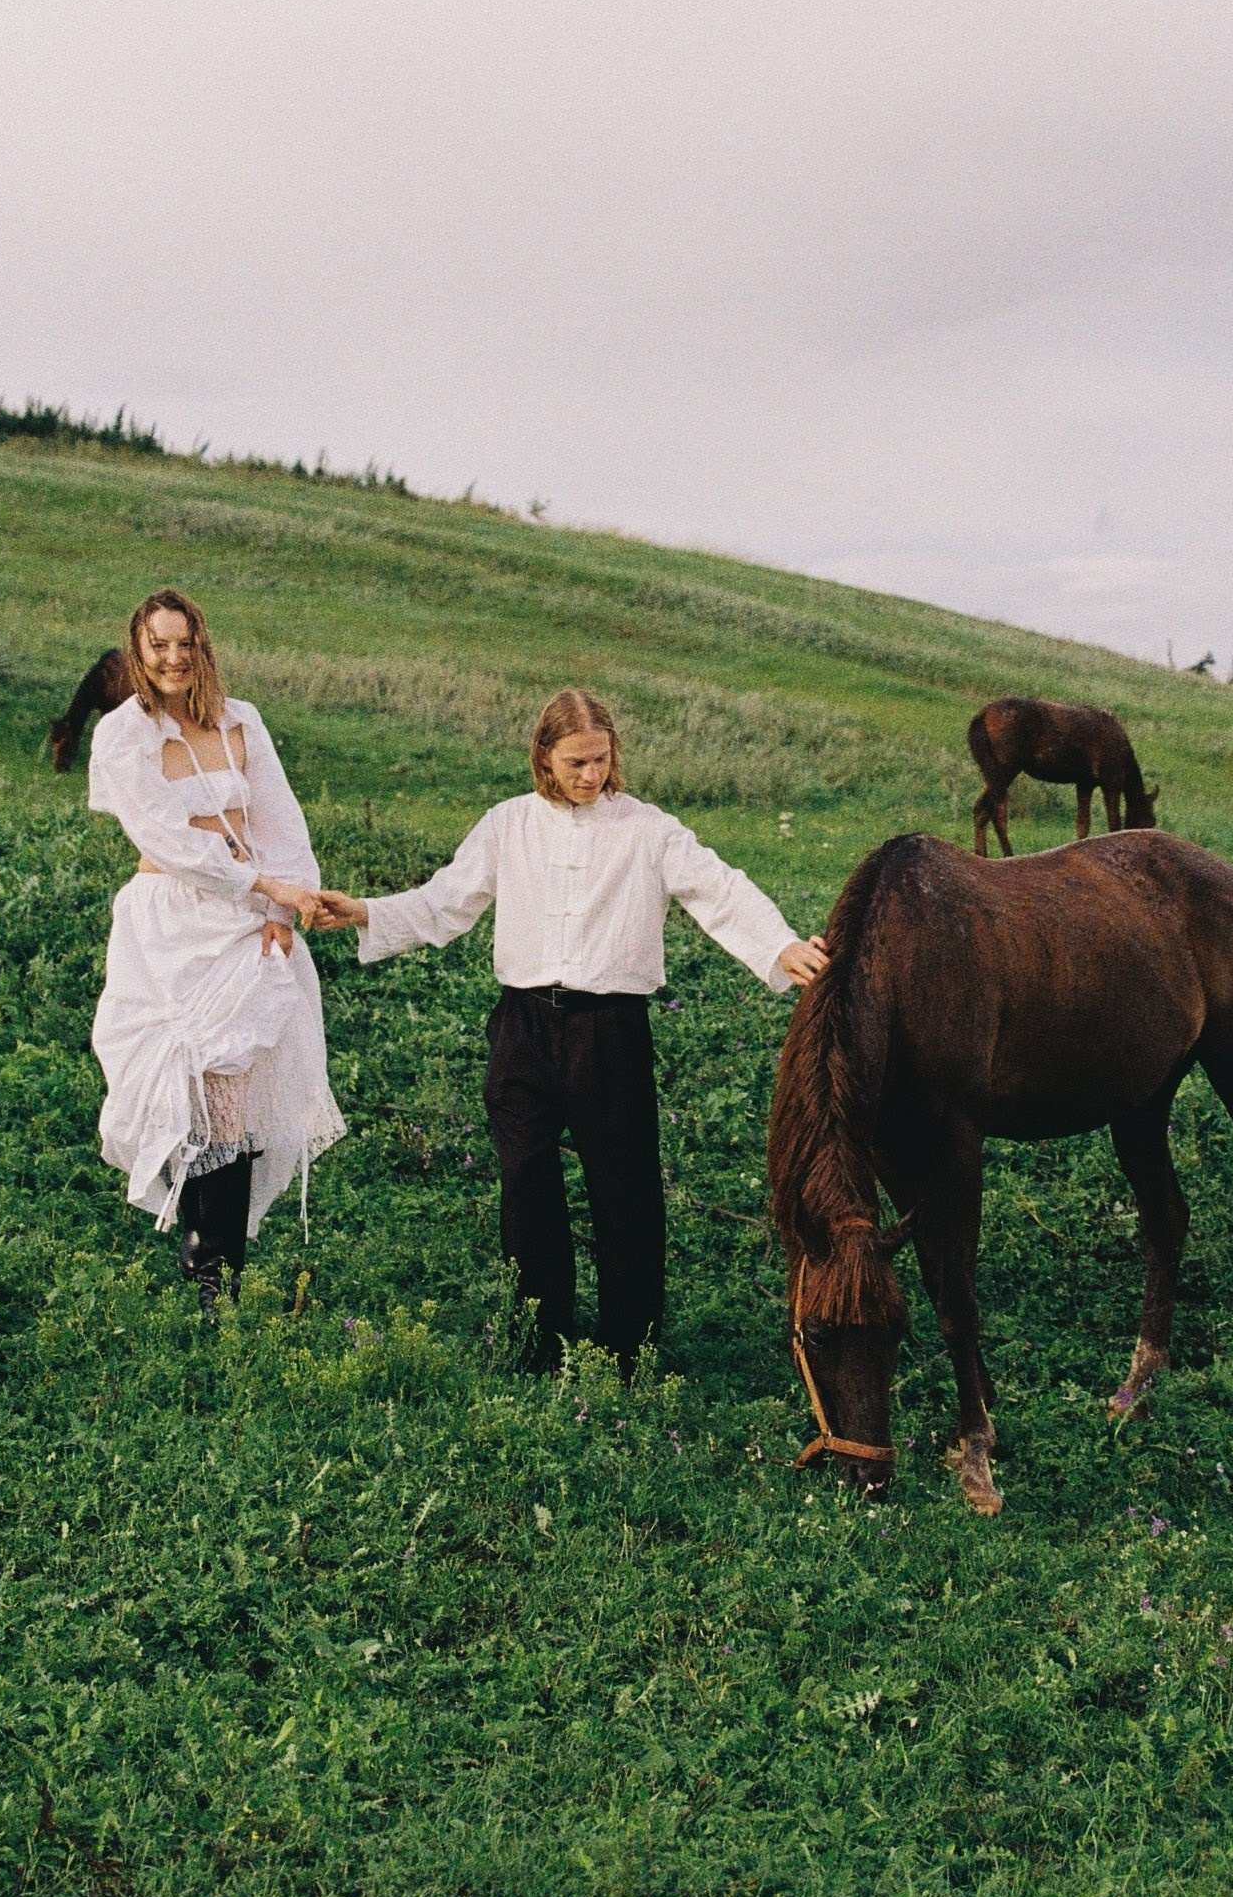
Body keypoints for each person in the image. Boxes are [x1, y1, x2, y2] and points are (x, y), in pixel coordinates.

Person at [312, 688, 826, 1377]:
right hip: (523, 1027)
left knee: (624, 1192)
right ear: (544, 758)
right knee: (525, 1185)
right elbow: (445, 901)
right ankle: (538, 1340)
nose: (590, 774)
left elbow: (718, 888)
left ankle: (627, 1348)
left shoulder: (647, 829)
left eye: (600, 760)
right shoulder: (507, 825)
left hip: (608, 1031)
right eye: (575, 761)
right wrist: (366, 911)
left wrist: (780, 943)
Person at [84, 589, 344, 1305]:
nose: (173, 658)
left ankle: (216, 1277)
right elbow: (170, 840)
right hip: (170, 926)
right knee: (193, 1090)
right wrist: (267, 886)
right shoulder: (125, 734)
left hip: (247, 924)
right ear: (138, 651)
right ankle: (208, 1276)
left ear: (203, 646)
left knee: (234, 1089)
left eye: (185, 643)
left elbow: (280, 818)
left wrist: (282, 910)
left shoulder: (241, 720)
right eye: (158, 645)